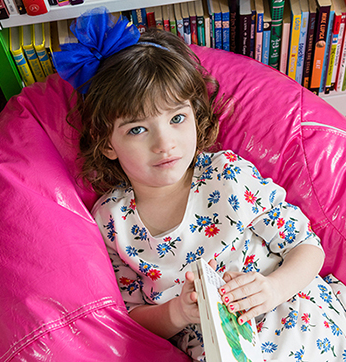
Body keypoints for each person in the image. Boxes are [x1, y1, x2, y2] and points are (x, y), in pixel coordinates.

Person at [53, 7, 346, 361]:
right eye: (137, 129)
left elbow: (308, 247)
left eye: (177, 118)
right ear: (107, 144)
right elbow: (131, 318)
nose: (165, 143)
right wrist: (177, 313)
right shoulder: (113, 221)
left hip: (294, 315)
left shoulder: (226, 175)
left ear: (195, 114)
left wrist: (273, 288)